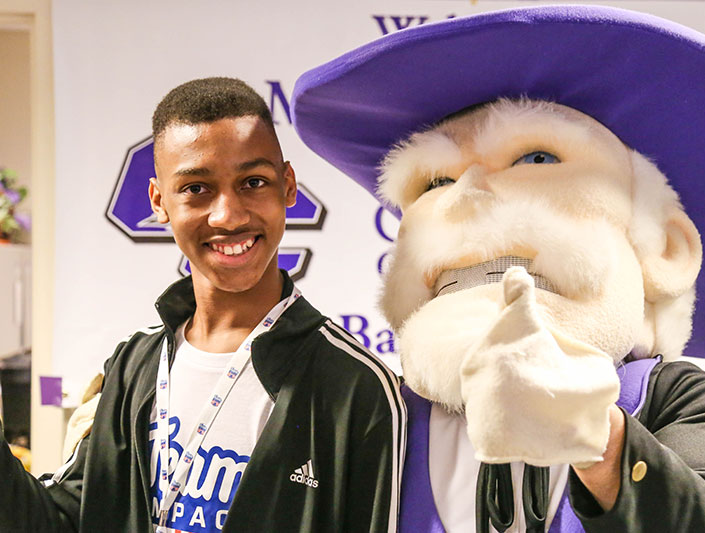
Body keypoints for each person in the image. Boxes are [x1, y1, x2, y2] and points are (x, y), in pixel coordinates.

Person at [289, 6, 705, 532]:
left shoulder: (676, 401)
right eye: (434, 182)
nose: (468, 194)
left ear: (665, 248)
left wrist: (602, 442)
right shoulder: (379, 418)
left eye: (536, 158)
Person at [0, 77, 405, 533]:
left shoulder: (357, 387)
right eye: (196, 188)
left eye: (253, 182)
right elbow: (59, 520)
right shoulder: (134, 366)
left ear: (287, 187)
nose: (228, 215)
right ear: (159, 201)